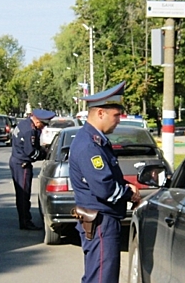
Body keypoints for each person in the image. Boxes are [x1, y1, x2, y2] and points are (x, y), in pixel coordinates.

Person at [69, 81, 142, 283]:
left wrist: (126, 186)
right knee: (102, 279)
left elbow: (108, 177)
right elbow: (105, 188)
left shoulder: (95, 140)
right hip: (101, 221)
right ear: (101, 113)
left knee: (98, 276)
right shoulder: (89, 145)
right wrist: (130, 194)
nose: (119, 120)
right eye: (116, 115)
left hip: (101, 219)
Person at [9, 108, 55, 230]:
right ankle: (25, 221)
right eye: (43, 124)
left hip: (16, 161)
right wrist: (45, 154)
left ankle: (24, 219)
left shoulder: (24, 123)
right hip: (22, 164)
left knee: (21, 194)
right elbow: (30, 152)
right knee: (24, 194)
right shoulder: (30, 131)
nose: (43, 128)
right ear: (37, 120)